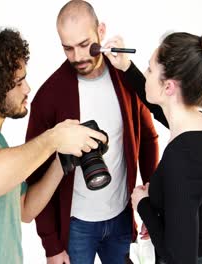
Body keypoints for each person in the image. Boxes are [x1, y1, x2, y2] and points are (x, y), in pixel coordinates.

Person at [0, 28, 107, 264]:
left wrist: (61, 160)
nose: (27, 89)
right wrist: (52, 138)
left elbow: (24, 210)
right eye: (18, 82)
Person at [25, 1, 159, 263]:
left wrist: (152, 204)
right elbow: (35, 173)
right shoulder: (48, 97)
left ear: (101, 30)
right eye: (68, 48)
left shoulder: (124, 79)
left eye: (85, 44)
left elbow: (148, 137)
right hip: (76, 226)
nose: (78, 57)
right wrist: (51, 245)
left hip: (121, 217)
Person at [104, 29, 202, 263]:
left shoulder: (182, 158)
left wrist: (142, 204)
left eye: (150, 69)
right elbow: (158, 107)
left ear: (169, 87)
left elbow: (178, 257)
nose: (146, 73)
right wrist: (126, 67)